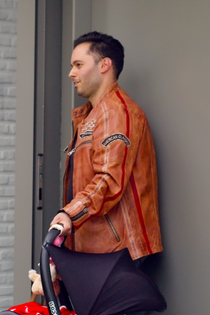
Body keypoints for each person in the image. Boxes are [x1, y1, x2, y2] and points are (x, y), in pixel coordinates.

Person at [50, 31, 162, 262]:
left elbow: (108, 180)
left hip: (115, 251)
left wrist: (69, 215)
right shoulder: (92, 115)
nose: (72, 73)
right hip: (95, 247)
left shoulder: (116, 112)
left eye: (79, 65)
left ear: (104, 65)